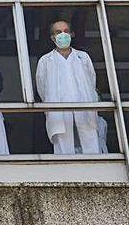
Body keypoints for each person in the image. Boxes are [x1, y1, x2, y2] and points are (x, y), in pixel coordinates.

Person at [35, 19, 103, 154]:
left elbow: (91, 81)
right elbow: (42, 88)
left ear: (72, 34)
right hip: (58, 109)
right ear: (52, 37)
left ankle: (94, 173)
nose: (63, 35)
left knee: (90, 143)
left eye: (66, 31)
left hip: (84, 106)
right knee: (63, 148)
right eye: (58, 32)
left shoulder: (83, 57)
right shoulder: (45, 61)